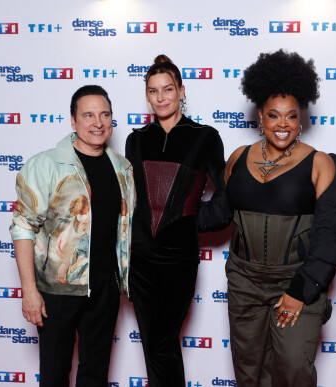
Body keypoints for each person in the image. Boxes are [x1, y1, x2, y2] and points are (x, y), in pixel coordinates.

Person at [223, 50, 336, 387]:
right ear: (260, 117)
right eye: (273, 115)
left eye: (291, 116)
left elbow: (329, 236)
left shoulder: (322, 163)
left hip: (294, 282)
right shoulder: (238, 158)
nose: (282, 124)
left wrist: (301, 290)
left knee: (294, 370)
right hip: (244, 284)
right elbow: (219, 212)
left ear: (300, 119)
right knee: (249, 373)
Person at [10, 85, 136, 386]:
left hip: (104, 287)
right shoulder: (45, 165)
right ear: (73, 121)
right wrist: (29, 291)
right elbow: (23, 227)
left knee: (95, 373)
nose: (98, 122)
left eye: (105, 114)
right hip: (57, 290)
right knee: (54, 373)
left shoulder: (122, 167)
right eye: (89, 115)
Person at [125, 54, 227, 386]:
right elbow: (133, 200)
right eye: (153, 91)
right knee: (153, 345)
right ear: (147, 96)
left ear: (181, 91)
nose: (161, 97)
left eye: (167, 89)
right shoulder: (135, 140)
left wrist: (191, 222)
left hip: (178, 259)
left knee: (163, 342)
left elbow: (226, 197)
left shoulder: (205, 137)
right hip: (140, 259)